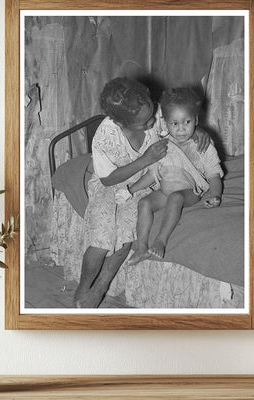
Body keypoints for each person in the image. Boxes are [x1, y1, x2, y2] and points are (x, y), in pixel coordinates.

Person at [74, 78, 210, 308]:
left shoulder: (155, 113)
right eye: (143, 123)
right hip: (109, 184)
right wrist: (146, 159)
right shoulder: (105, 136)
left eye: (151, 117)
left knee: (125, 237)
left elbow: (178, 124)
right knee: (101, 242)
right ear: (119, 122)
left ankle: (100, 288)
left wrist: (199, 131)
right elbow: (108, 179)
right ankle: (83, 288)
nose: (151, 123)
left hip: (146, 182)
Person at [127, 87, 223, 265]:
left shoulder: (203, 145)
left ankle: (160, 240)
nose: (181, 129)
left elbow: (213, 174)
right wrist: (130, 190)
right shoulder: (163, 145)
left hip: (189, 191)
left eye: (187, 122)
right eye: (174, 124)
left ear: (196, 119)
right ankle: (141, 247)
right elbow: (152, 173)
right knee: (144, 203)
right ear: (165, 123)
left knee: (175, 198)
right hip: (165, 190)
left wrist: (215, 195)